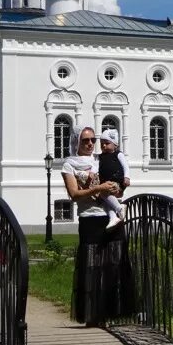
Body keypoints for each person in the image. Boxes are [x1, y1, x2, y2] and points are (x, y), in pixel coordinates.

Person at [62, 126, 134, 326]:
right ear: (76, 142)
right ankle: (93, 315)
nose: (90, 143)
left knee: (114, 265)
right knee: (92, 268)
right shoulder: (69, 165)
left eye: (92, 139)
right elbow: (74, 194)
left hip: (111, 217)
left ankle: (113, 314)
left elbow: (117, 180)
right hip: (90, 218)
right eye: (85, 140)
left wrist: (117, 187)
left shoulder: (99, 159)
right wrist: (99, 188)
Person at [97, 128, 130, 230]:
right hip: (106, 182)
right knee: (106, 201)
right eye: (102, 143)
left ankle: (120, 208)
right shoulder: (101, 157)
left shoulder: (118, 154)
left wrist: (127, 177)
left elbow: (125, 166)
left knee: (103, 193)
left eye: (107, 143)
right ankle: (113, 217)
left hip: (117, 181)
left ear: (115, 144)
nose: (103, 145)